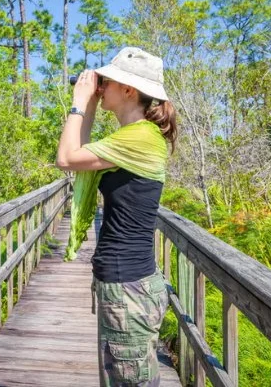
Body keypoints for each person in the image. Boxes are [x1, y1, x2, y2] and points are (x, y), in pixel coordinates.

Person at [56, 47, 177, 387]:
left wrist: (79, 102)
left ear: (128, 91)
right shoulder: (134, 137)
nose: (101, 86)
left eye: (106, 82)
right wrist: (90, 103)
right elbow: (77, 154)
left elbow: (66, 158)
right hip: (126, 284)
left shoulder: (139, 138)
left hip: (128, 289)